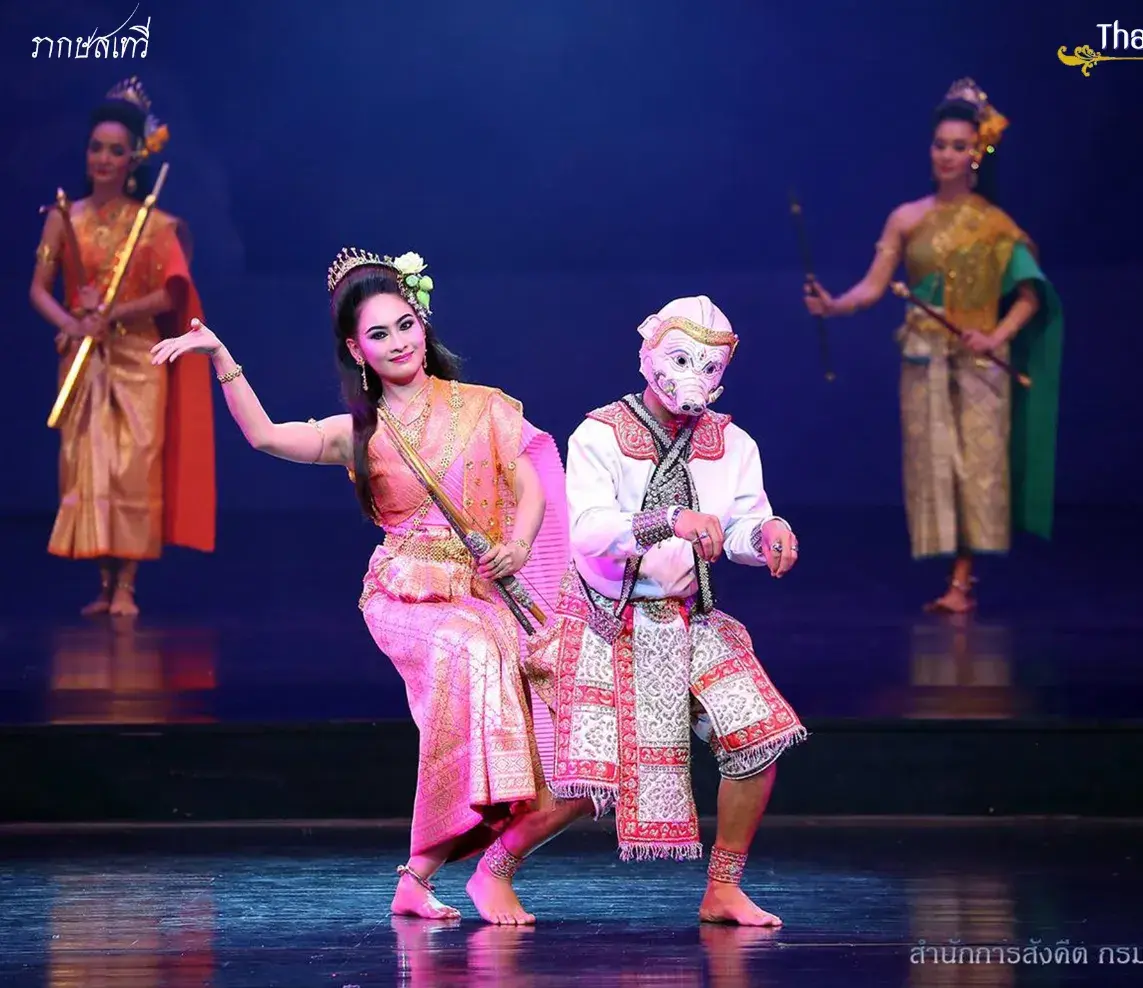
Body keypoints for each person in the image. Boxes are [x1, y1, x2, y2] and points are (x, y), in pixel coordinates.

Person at [150, 247, 591, 924]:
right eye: (378, 334)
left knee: (527, 682)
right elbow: (266, 437)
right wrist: (220, 357)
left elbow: (529, 483)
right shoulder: (359, 432)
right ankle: (456, 842)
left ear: (424, 324)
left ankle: (421, 876)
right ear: (357, 351)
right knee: (472, 649)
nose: (398, 342)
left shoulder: (484, 408)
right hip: (404, 596)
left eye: (405, 324)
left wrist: (517, 546)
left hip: (478, 591)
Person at [524, 295, 807, 927]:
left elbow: (738, 524)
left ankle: (723, 887)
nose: (696, 379)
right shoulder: (599, 433)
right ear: (649, 357)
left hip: (691, 618)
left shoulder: (733, 443)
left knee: (758, 736)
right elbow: (591, 531)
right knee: (589, 786)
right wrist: (668, 520)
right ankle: (495, 869)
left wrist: (765, 537)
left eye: (710, 368)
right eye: (683, 360)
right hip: (610, 619)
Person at [803, 78, 1064, 613]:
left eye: (959, 146)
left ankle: (962, 580)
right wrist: (833, 305)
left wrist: (995, 334)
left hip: (980, 362)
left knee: (977, 467)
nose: (948, 155)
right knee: (935, 463)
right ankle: (954, 574)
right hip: (923, 360)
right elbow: (874, 288)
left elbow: (1031, 296)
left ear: (977, 154)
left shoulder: (994, 226)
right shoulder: (907, 218)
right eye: (940, 145)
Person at [29, 76, 217, 617]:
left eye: (115, 150)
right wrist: (74, 321)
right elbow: (38, 290)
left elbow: (169, 293)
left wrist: (115, 313)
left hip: (139, 359)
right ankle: (103, 583)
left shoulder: (153, 224)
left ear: (133, 158)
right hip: (83, 362)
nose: (103, 159)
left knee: (132, 466)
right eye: (96, 148)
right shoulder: (65, 219)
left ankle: (128, 585)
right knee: (88, 465)